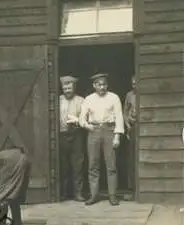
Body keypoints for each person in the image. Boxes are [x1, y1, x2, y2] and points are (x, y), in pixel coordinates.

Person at [79, 73, 124, 206]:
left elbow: (119, 116)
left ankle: (113, 196)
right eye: (99, 84)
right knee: (93, 164)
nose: (102, 87)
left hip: (109, 130)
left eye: (104, 84)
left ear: (107, 84)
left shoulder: (114, 98)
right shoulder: (88, 99)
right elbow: (82, 117)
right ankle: (94, 195)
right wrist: (87, 126)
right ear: (94, 85)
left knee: (111, 164)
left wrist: (117, 136)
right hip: (94, 131)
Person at [58, 75, 86, 202]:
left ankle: (78, 193)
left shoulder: (81, 100)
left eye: (69, 87)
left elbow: (86, 118)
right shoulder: (57, 100)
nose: (67, 90)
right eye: (65, 88)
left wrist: (76, 122)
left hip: (77, 134)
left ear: (74, 87)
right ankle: (64, 193)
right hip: (62, 134)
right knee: (63, 165)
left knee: (77, 165)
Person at [123, 75, 137, 195]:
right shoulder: (129, 95)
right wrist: (128, 126)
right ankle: (132, 188)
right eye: (133, 83)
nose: (135, 85)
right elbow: (125, 111)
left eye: (137, 82)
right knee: (131, 157)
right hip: (133, 128)